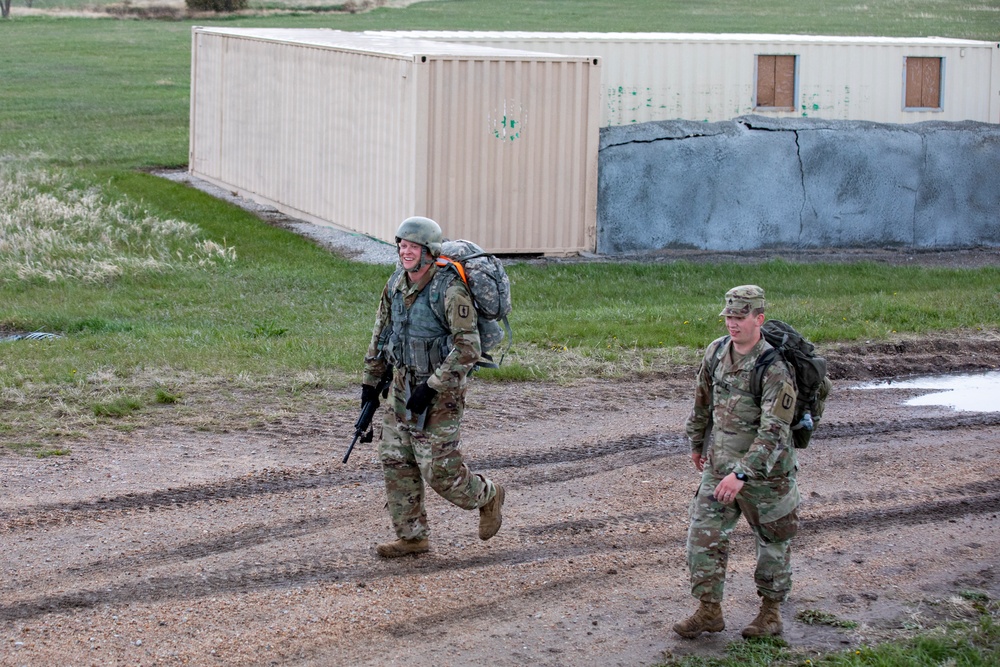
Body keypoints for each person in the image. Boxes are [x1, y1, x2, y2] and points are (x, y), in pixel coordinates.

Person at [361, 216, 505, 558]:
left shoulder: (449, 290)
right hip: (402, 384)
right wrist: (370, 382)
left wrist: (433, 385)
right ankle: (412, 537)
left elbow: (468, 347)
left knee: (439, 471)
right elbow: (381, 332)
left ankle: (488, 494)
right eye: (401, 245)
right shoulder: (397, 281)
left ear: (429, 252)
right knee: (395, 459)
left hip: (440, 393)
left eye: (412, 247)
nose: (404, 252)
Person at [674, 285, 800, 639]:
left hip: (766, 475)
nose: (732, 323)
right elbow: (702, 400)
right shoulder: (716, 352)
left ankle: (771, 613)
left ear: (758, 318)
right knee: (704, 535)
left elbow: (774, 430)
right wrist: (697, 442)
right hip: (720, 465)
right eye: (728, 316)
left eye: (740, 317)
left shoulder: (774, 367)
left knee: (773, 544)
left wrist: (742, 473)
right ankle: (709, 611)